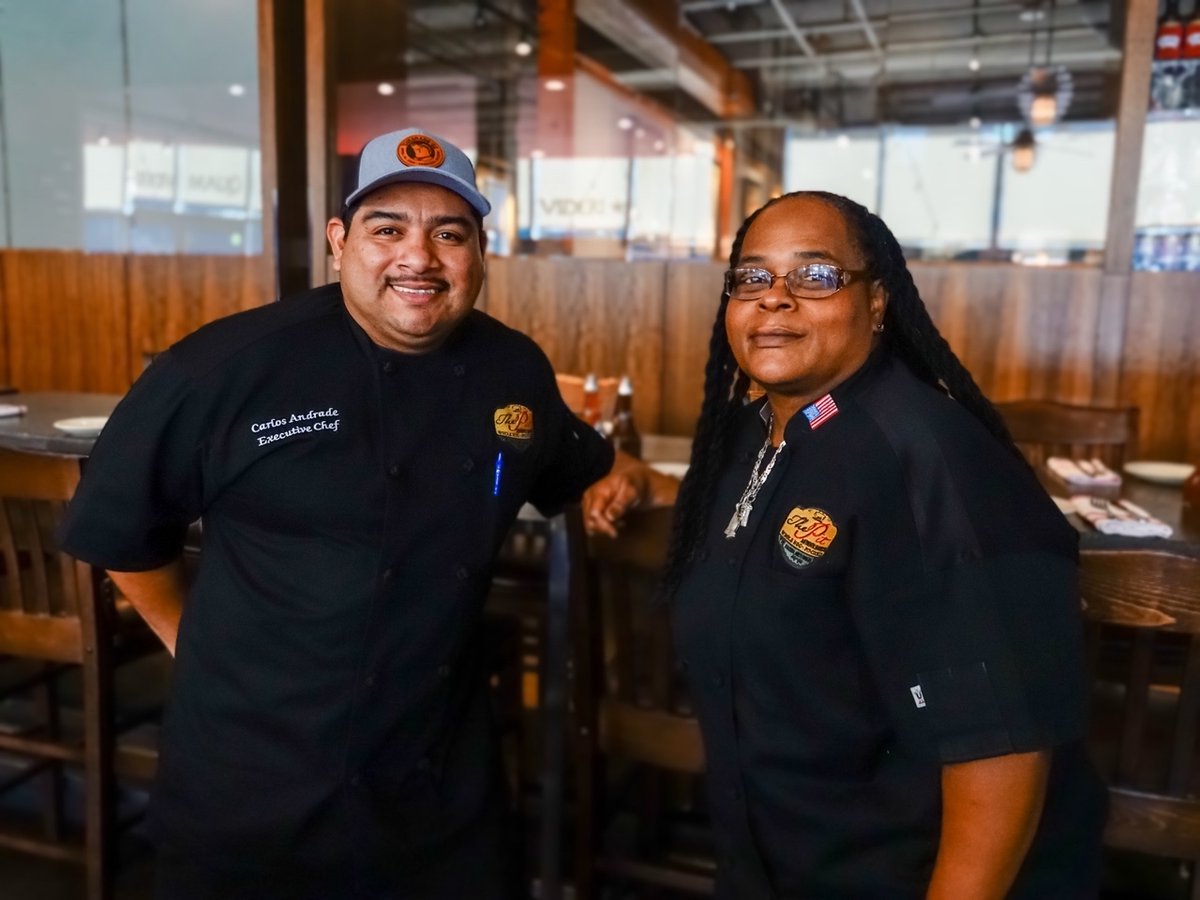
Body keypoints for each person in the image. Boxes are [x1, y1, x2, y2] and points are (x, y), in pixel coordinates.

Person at [59, 127, 613, 899]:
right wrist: (199, 644)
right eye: (387, 229)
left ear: (480, 254)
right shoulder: (226, 368)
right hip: (254, 775)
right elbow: (116, 527)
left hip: (437, 773)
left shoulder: (512, 369)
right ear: (338, 241)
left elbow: (577, 467)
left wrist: (637, 474)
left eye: (448, 234)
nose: (417, 258)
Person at [584, 190, 1106, 899]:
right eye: (753, 278)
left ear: (879, 302)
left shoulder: (937, 459)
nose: (775, 299)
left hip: (900, 874)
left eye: (815, 276)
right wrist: (649, 483)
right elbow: (780, 526)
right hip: (782, 858)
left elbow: (1003, 744)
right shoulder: (758, 430)